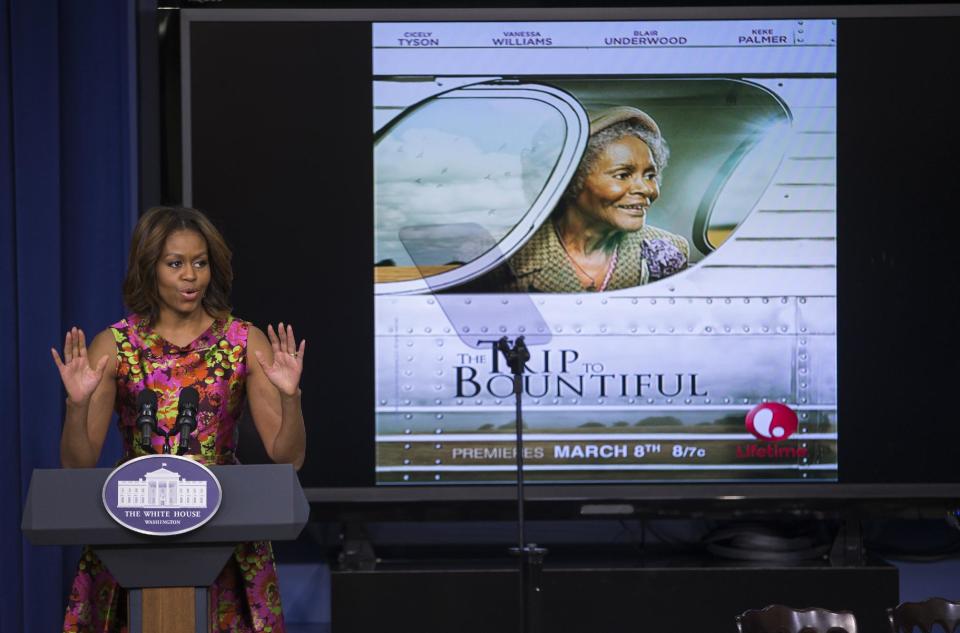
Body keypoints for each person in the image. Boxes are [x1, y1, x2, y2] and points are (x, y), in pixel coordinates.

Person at [52, 206, 306, 633]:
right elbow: (76, 466)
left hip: (226, 529)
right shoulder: (114, 345)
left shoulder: (243, 340)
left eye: (200, 263)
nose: (190, 276)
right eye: (176, 264)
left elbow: (289, 457)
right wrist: (77, 406)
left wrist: (291, 396)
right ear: (150, 268)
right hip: (132, 532)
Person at [485, 105, 689, 292]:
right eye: (623, 175)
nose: (646, 189)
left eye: (650, 176)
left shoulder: (669, 248)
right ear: (570, 179)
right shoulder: (503, 251)